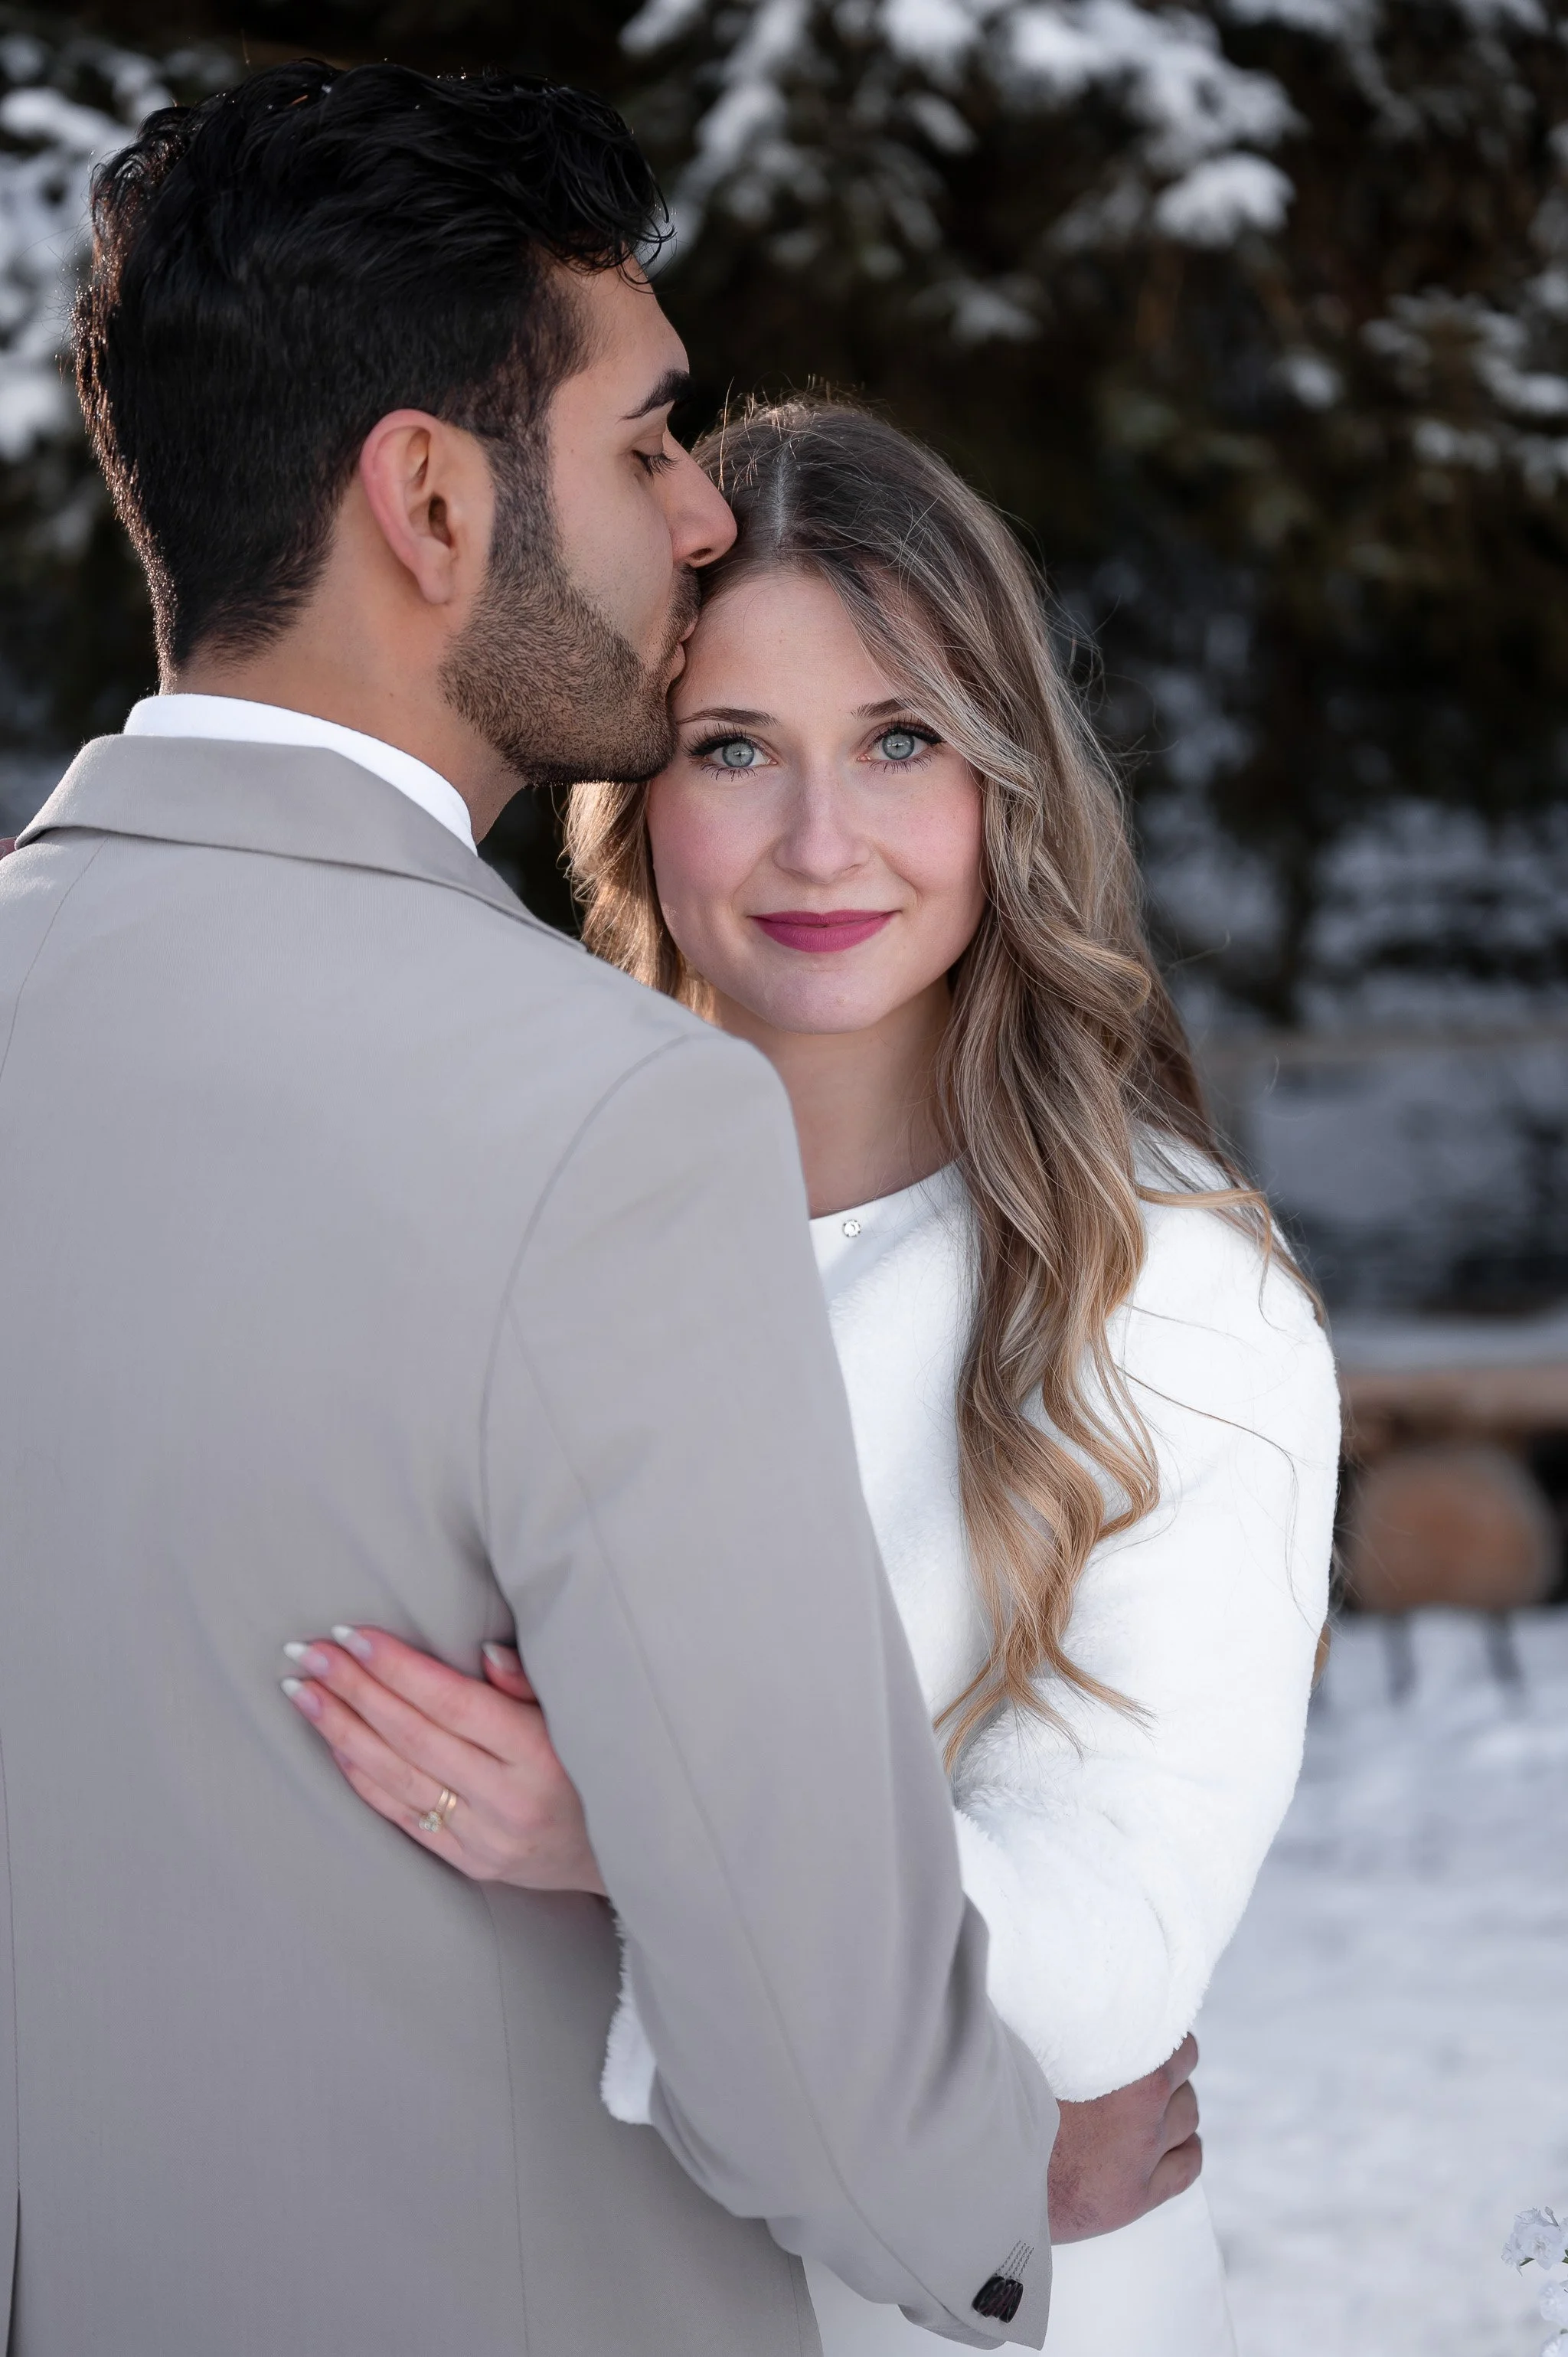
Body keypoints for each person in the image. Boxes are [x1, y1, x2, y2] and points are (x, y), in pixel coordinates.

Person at [0, 65, 1133, 2355]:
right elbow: (819, 2046)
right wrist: (1020, 2183)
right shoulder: (610, 1117)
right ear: (427, 498)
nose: (703, 517)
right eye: (643, 444)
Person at [283, 399, 1343, 2354]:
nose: (819, 843)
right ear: (632, 795)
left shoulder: (1161, 1285)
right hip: (521, 2269)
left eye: (900, 743)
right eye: (731, 750)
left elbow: (1103, 1986)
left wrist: (633, 1817)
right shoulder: (486, 1215)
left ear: (1002, 787)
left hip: (963, 2320)